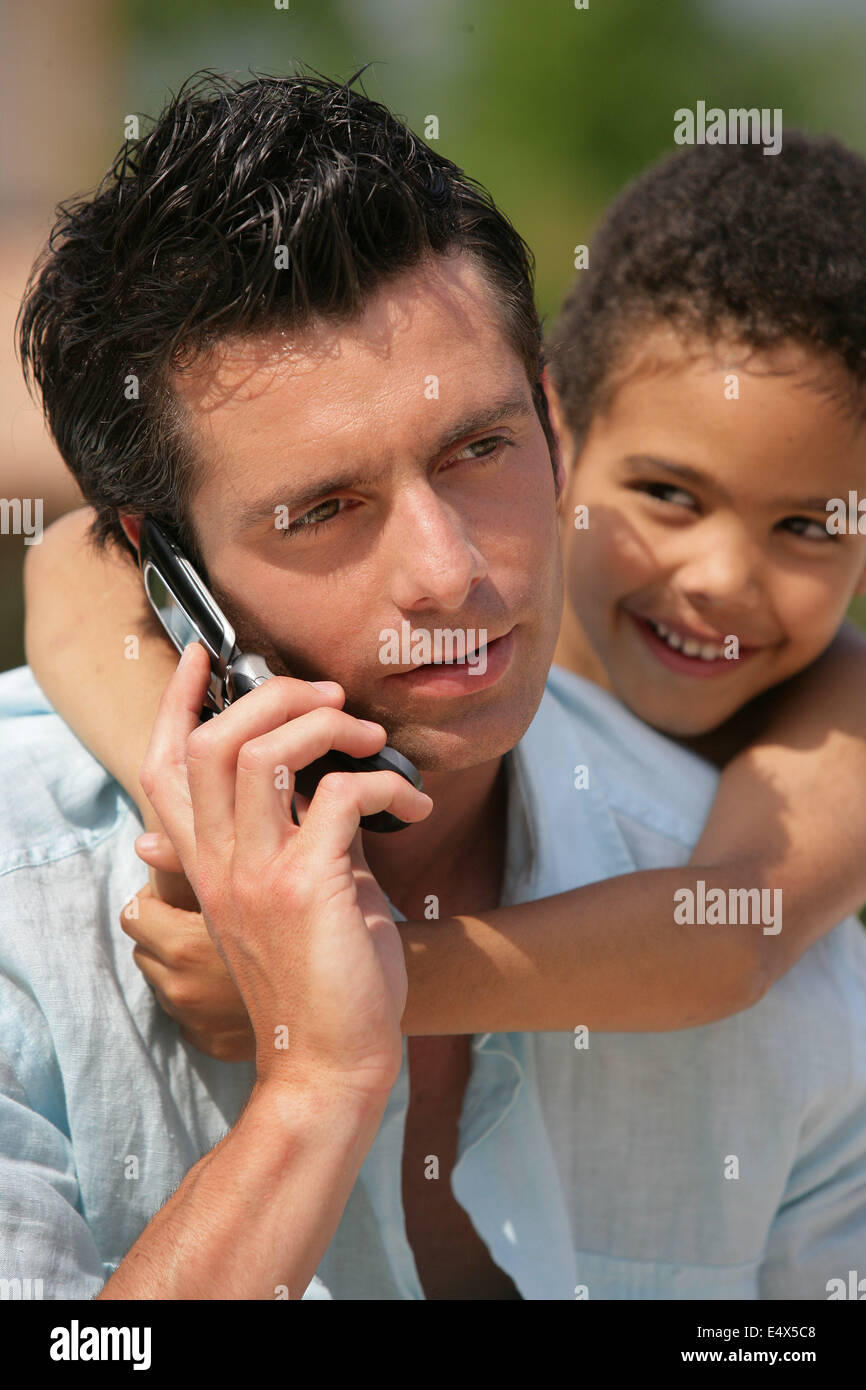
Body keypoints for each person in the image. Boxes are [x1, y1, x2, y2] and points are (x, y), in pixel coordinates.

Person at [4, 71, 866, 1299]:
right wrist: (313, 1087)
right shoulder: (24, 904)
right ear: (165, 566)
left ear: (551, 426)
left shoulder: (792, 956)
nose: (449, 572)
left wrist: (381, 970)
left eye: (478, 449)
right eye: (323, 510)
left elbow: (734, 941)